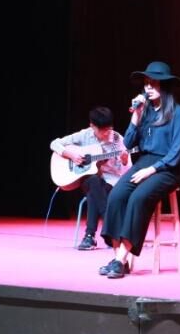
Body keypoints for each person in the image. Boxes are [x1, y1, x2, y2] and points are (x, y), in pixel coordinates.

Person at [99, 61, 180, 279]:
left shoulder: (179, 113)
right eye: (146, 83)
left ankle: (120, 259)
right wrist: (135, 118)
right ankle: (118, 259)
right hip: (143, 162)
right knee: (116, 196)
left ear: (165, 85)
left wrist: (151, 170)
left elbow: (175, 154)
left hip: (166, 168)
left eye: (154, 83)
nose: (148, 87)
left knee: (138, 198)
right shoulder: (145, 111)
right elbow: (128, 144)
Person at [50, 106, 130, 250]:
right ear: (92, 126)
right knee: (93, 181)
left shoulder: (117, 139)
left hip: (111, 182)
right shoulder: (85, 135)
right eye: (102, 130)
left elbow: (126, 170)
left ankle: (89, 236)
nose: (107, 133)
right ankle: (111, 228)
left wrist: (124, 160)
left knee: (94, 190)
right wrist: (71, 155)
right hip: (89, 180)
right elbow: (54, 143)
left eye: (109, 129)